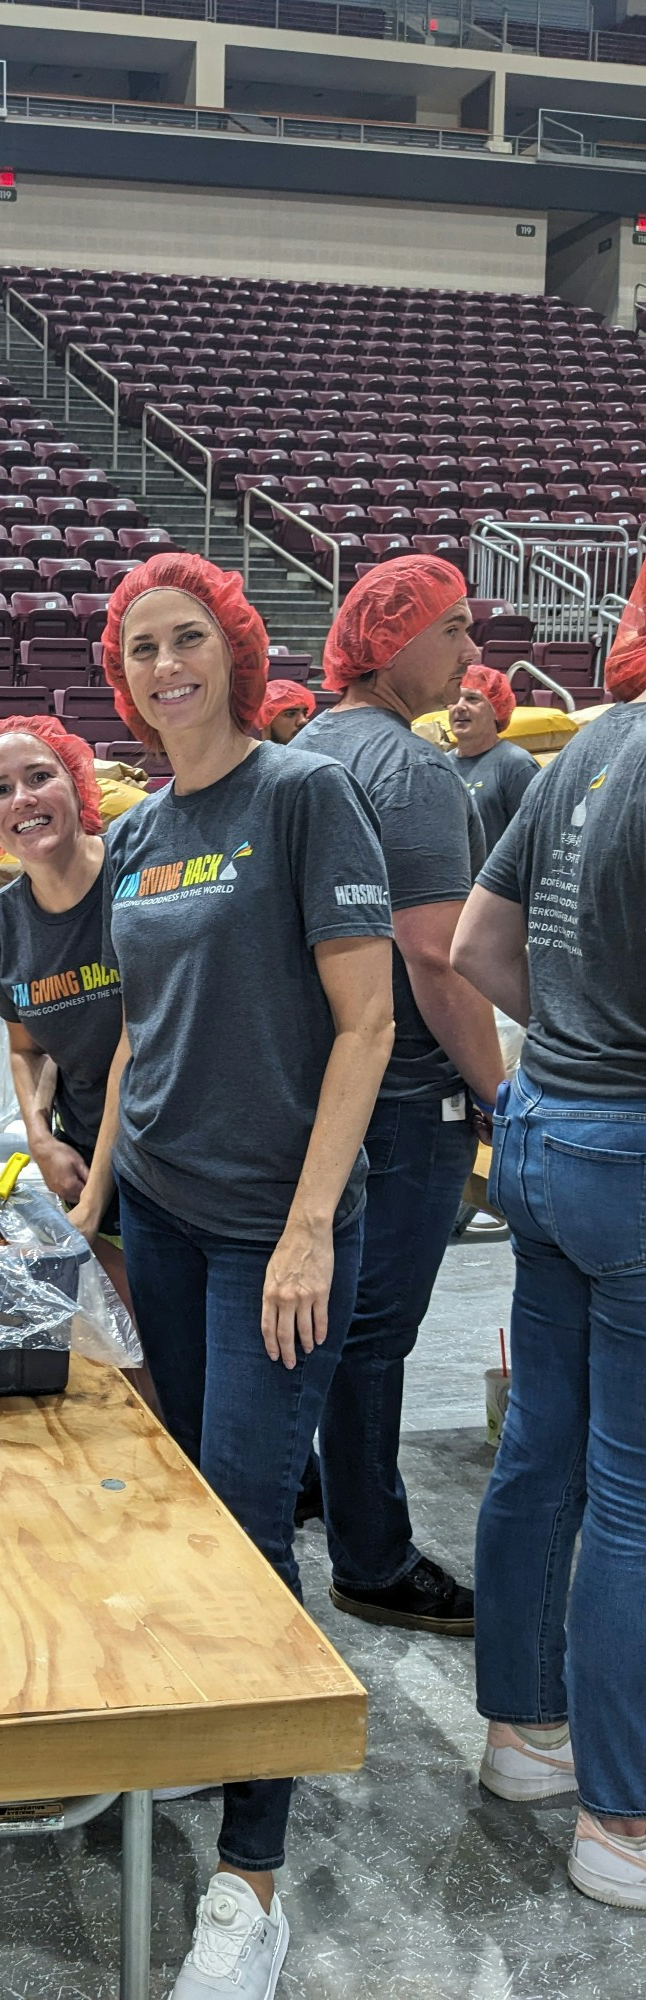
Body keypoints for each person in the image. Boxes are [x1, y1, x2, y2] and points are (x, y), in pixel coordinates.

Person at [72, 553, 396, 2000]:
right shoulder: (141, 830)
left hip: (277, 1231)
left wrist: (314, 1226)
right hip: (165, 1215)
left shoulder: (304, 794)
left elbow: (370, 1025)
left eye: (187, 639)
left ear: (237, 649)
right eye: (140, 648)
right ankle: (211, 1740)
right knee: (186, 1511)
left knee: (254, 1530)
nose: (163, 666)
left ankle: (250, 1878)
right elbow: (145, 1025)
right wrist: (98, 1194)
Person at [452, 592, 646, 1909]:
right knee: (634, 1495)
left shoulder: (586, 738)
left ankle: (522, 1735)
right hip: (631, 1154)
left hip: (544, 1126)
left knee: (544, 1452)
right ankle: (623, 1825)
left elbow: (476, 946)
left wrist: (574, 1047)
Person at [298, 556, 505, 1637]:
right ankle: (372, 1556)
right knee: (376, 1330)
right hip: (404, 1091)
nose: (473, 653)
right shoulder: (413, 774)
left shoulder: (305, 750)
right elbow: (437, 960)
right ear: (392, 641)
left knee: (324, 1312)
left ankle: (311, 1480)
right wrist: (500, 1090)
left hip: (324, 1081)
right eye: (456, 629)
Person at [0, 714, 137, 1330]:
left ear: (78, 783)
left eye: (40, 776)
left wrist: (95, 1203)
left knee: (180, 1359)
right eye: (0, 788)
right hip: (88, 1154)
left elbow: (137, 1045)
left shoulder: (134, 881)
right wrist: (39, 1138)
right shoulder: (2, 922)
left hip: (163, 1161)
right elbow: (25, 1048)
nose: (23, 800)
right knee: (132, 1358)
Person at [447, 663, 539, 855]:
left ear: (496, 710)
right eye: (454, 699)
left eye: (472, 699)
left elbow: (533, 839)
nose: (460, 707)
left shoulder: (516, 765)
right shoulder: (441, 765)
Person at [260, 678, 315, 745]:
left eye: (305, 713)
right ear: (265, 719)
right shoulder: (248, 755)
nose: (303, 721)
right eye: (290, 714)